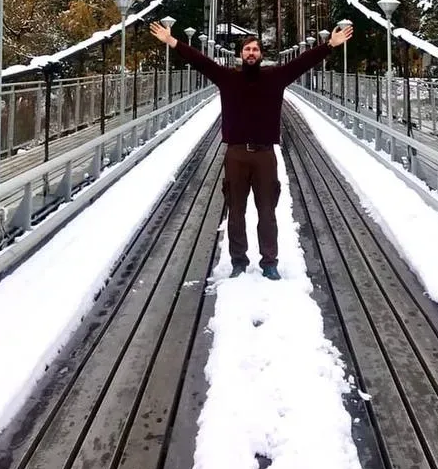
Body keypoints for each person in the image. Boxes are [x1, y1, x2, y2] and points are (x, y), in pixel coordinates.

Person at [149, 21, 353, 279]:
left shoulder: (275, 78)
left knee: (267, 211)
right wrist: (172, 41)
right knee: (235, 211)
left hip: (265, 154)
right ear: (240, 55)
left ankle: (269, 262)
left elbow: (301, 63)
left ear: (261, 55)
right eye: (247, 50)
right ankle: (238, 262)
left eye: (255, 49)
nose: (251, 53)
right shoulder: (228, 78)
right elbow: (201, 62)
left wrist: (329, 46)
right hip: (235, 154)